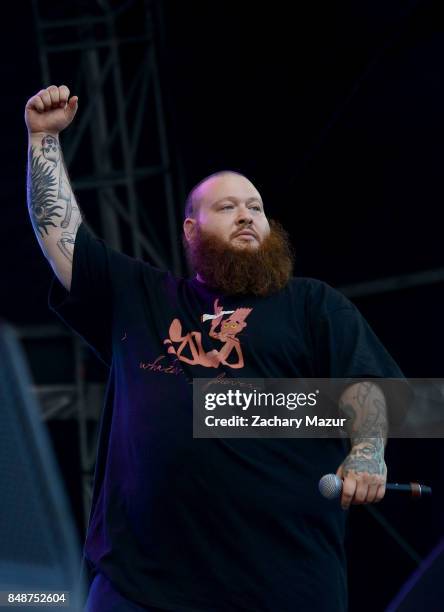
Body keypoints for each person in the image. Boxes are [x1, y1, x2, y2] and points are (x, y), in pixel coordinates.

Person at [25, 85, 405, 612]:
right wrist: (42, 139)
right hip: (140, 587)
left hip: (283, 586)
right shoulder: (143, 298)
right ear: (190, 229)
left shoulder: (314, 305)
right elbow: (60, 236)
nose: (247, 215)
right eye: (227, 207)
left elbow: (375, 389)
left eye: (256, 206)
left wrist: (367, 453)